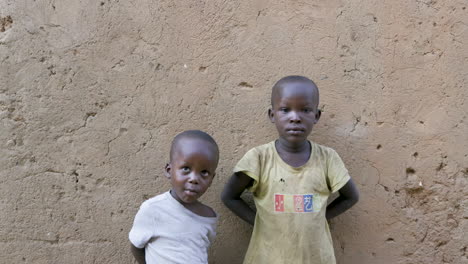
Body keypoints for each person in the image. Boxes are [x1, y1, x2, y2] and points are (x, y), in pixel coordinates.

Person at [221, 76, 359, 264]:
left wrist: (321, 218)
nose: (295, 117)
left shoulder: (327, 158)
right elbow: (229, 196)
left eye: (305, 110)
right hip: (267, 257)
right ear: (272, 115)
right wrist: (260, 222)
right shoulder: (259, 158)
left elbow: (351, 196)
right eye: (285, 110)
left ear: (316, 116)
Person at [129, 130, 219, 264]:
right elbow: (136, 247)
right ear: (169, 170)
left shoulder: (209, 216)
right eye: (186, 168)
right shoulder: (153, 209)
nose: (194, 179)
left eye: (204, 172)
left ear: (211, 179)